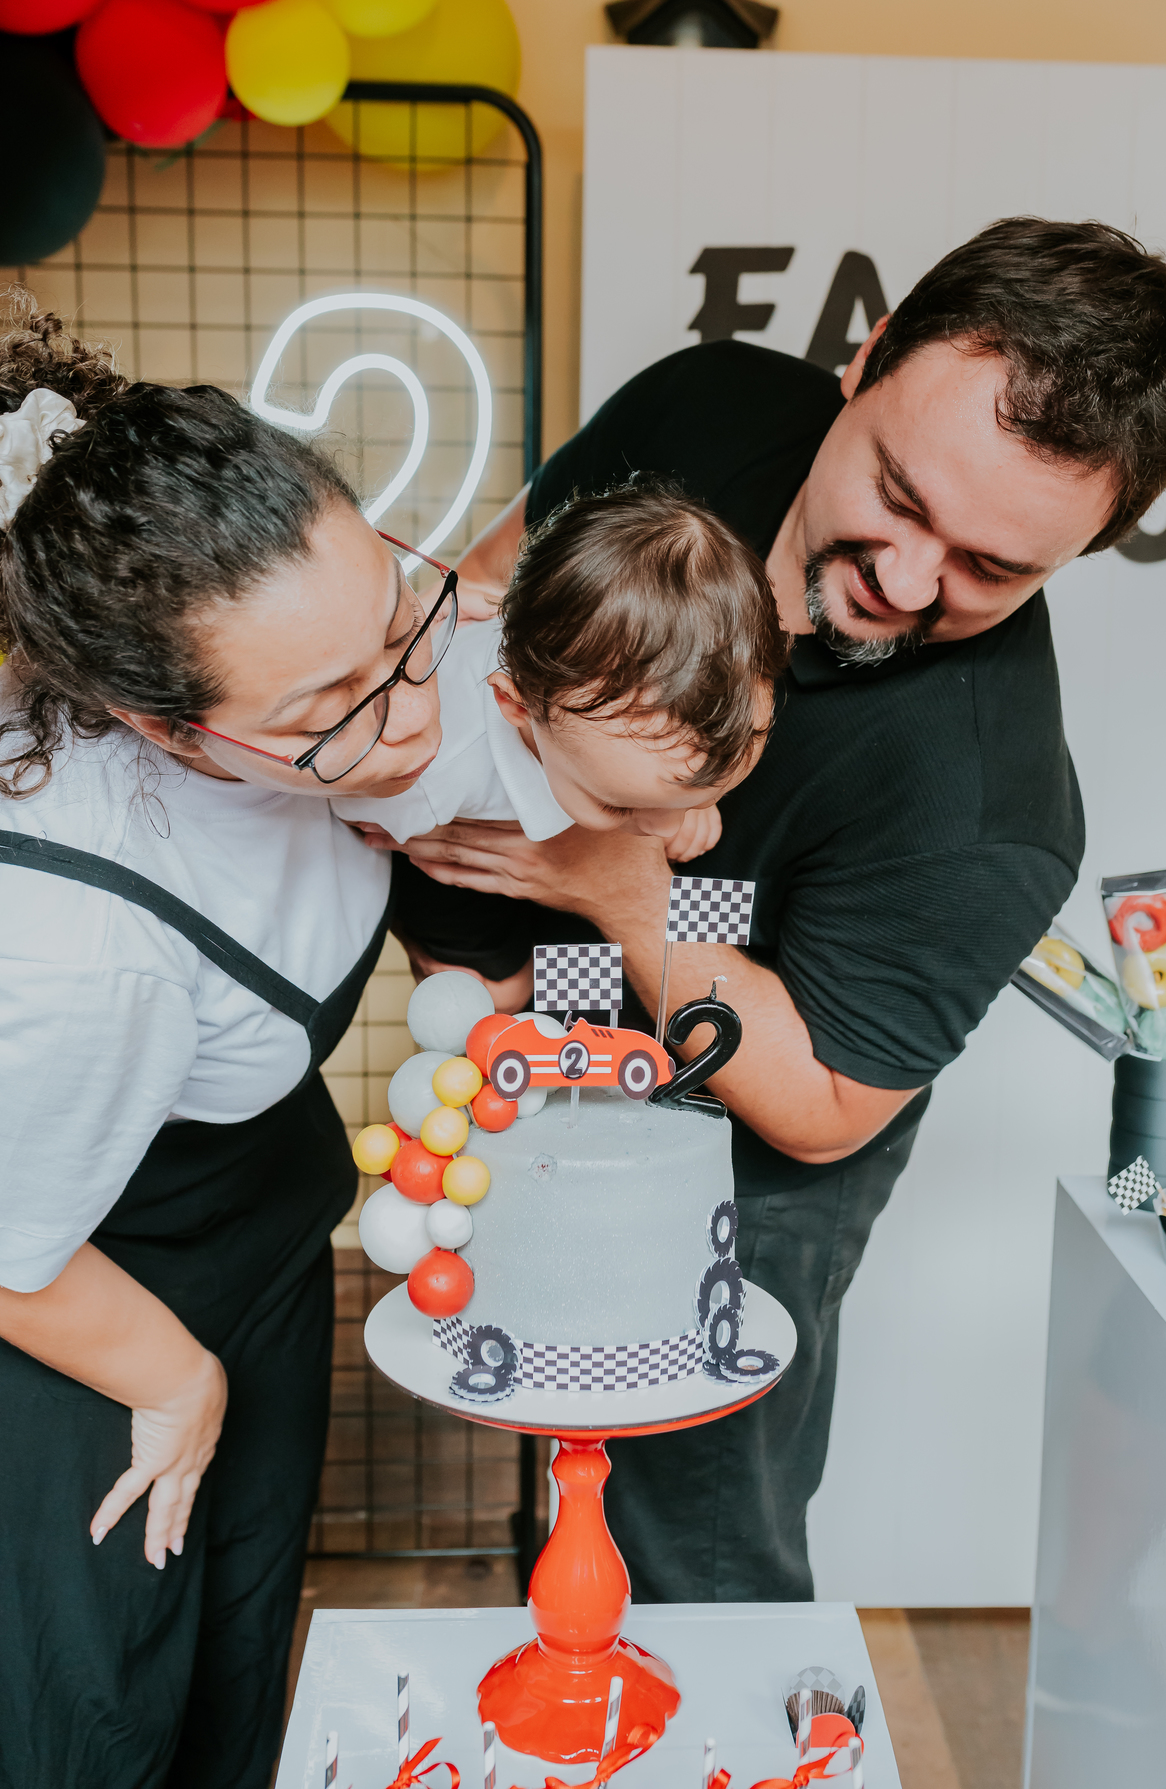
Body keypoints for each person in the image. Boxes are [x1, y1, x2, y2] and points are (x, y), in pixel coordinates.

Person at [390, 218, 1166, 1602]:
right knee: (545, 1453)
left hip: (743, 1175)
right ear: (862, 357)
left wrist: (620, 888)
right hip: (514, 1047)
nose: (904, 577)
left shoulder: (990, 804)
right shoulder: (712, 405)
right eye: (898, 491)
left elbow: (825, 1097)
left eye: (990, 571)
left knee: (693, 1542)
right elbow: (492, 592)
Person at [0, 302, 516, 1789]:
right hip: (81, 1307)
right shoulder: (75, 949)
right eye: (334, 713)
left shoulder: (365, 653)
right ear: (160, 730)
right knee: (95, 1713)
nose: (413, 712)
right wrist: (174, 1378)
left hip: (261, 1231)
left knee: (241, 1671)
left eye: (399, 631)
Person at [337, 479, 786, 972]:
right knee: (499, 991)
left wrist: (685, 798)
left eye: (700, 795)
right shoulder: (431, 769)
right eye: (621, 803)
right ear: (516, 705)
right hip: (447, 841)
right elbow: (352, 804)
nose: (663, 831)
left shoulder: (592, 714)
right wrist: (393, 826)